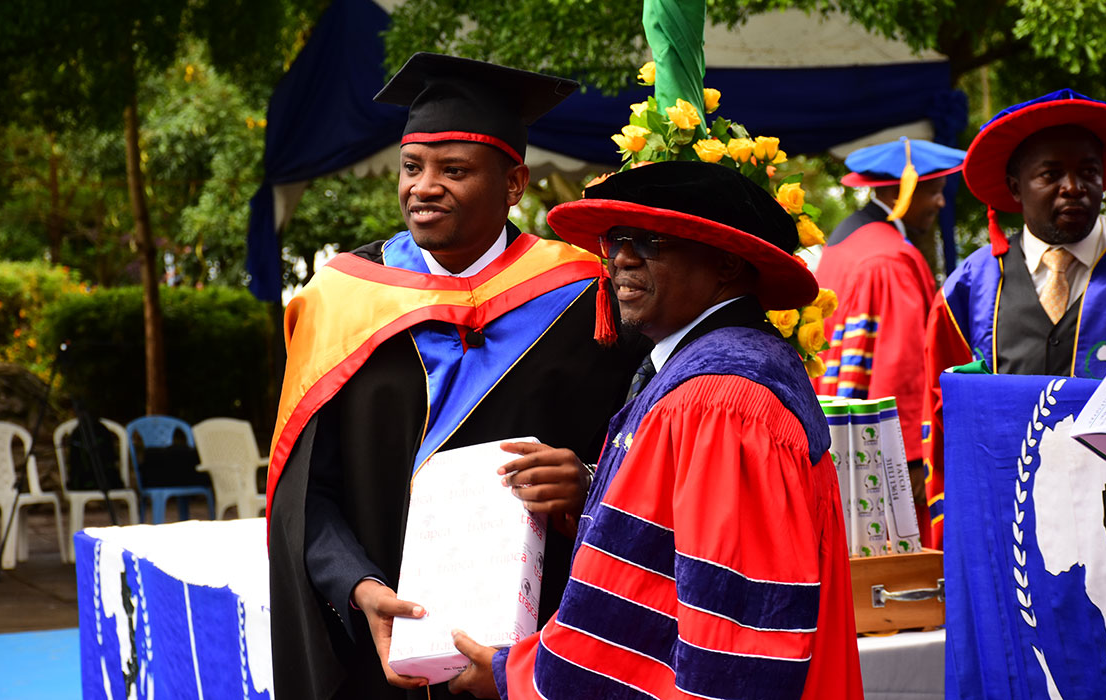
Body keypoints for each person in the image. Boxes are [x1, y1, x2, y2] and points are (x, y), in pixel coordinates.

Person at [264, 53, 645, 699]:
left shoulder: (586, 301)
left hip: (533, 654)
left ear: (514, 183)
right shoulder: (342, 300)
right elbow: (305, 496)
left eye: (455, 170)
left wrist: (586, 481)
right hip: (384, 650)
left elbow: (639, 461)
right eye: (412, 167)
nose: (424, 187)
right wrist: (358, 587)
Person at [446, 160, 864, 699]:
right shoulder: (706, 374)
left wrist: (516, 677)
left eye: (649, 241)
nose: (620, 258)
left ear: (727, 262)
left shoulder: (720, 403)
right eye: (615, 240)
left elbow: (729, 647)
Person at [923, 89, 1106, 546]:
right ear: (1016, 188)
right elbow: (942, 413)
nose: (1073, 187)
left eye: (1089, 172)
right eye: (1051, 174)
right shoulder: (971, 286)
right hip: (1008, 521)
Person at [813, 137, 965, 546]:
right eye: (933, 191)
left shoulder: (841, 245)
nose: (940, 202)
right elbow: (903, 366)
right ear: (902, 193)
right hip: (881, 455)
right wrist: (912, 458)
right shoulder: (890, 259)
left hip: (832, 434)